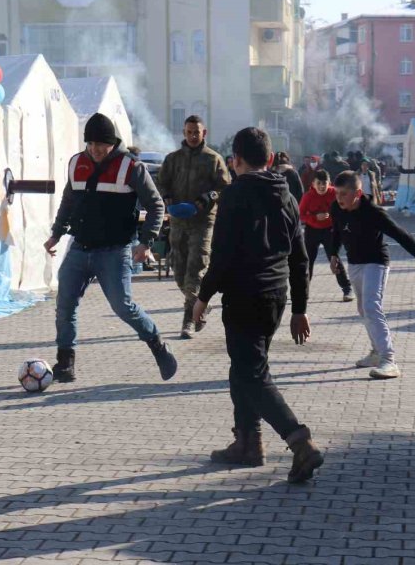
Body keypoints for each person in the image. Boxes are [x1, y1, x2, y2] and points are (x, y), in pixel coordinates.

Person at [193, 127, 325, 484]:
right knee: (244, 369)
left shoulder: (235, 195)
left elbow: (221, 256)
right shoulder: (287, 194)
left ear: (235, 159)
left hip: (244, 297)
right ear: (269, 159)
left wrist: (201, 299)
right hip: (275, 298)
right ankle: (248, 443)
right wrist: (300, 308)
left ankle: (299, 440)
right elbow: (300, 258)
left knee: (253, 374)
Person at [44, 113, 178, 383]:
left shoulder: (131, 167)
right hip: (80, 248)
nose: (95, 150)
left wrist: (146, 241)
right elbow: (68, 201)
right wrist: (56, 234)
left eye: (100, 145)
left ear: (112, 142)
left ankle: (157, 345)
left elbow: (156, 205)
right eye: (90, 143)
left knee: (123, 306)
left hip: (115, 251)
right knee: (64, 305)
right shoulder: (76, 163)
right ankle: (65, 363)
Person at [329, 171, 415, 379]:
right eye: (337, 193)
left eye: (344, 194)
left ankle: (389, 360)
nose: (339, 198)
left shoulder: (373, 212)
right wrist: (333, 254)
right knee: (363, 309)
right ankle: (375, 352)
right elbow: (337, 230)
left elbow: (402, 235)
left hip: (376, 263)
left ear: (357, 192)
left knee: (372, 307)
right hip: (354, 263)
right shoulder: (336, 207)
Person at [157, 115, 231, 339]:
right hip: (179, 221)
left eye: (196, 132)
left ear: (204, 133)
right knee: (179, 272)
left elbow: (224, 186)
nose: (192, 136)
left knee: (196, 268)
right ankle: (201, 304)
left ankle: (189, 318)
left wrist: (205, 199)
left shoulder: (213, 159)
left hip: (203, 221)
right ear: (184, 132)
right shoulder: (173, 159)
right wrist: (168, 199)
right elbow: (161, 183)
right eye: (189, 132)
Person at [299, 170, 354, 301]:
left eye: (324, 183)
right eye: (319, 183)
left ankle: (347, 289)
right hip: (312, 230)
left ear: (330, 183)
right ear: (313, 183)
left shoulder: (335, 194)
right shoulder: (308, 196)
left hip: (330, 230)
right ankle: (303, 291)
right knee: (308, 261)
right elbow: (301, 215)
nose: (322, 187)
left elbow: (345, 209)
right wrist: (314, 217)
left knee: (335, 259)